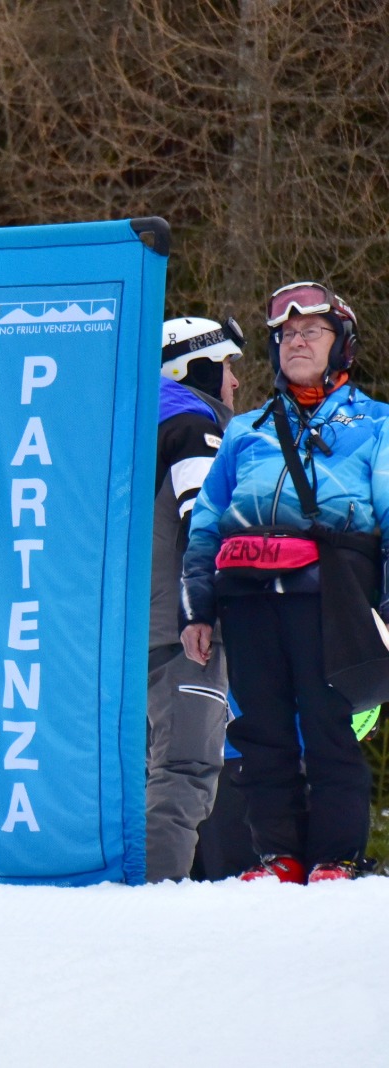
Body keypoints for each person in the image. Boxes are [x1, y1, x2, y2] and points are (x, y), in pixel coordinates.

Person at [180, 281, 389, 883]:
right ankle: (279, 856)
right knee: (259, 731)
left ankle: (337, 856)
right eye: (286, 335)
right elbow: (207, 526)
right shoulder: (245, 430)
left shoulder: (373, 426)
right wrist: (196, 607)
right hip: (245, 597)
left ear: (341, 346)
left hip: (329, 599)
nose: (296, 342)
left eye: (311, 332)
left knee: (328, 730)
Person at [145, 316, 242, 881]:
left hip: (122, 627)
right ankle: (153, 908)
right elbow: (203, 525)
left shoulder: (130, 423)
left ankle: (111, 900)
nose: (234, 383)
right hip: (182, 629)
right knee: (184, 771)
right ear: (193, 366)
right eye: (227, 366)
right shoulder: (190, 422)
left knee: (138, 775)